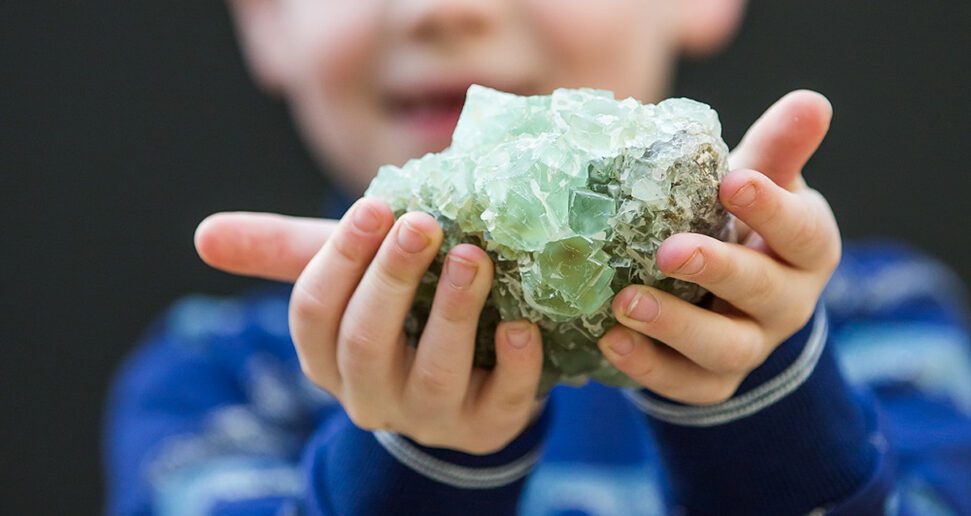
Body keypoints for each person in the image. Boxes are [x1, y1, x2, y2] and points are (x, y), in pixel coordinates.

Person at [105, 1, 971, 514]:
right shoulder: (214, 381)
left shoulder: (883, 324)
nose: (445, 10)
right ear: (265, 19)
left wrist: (757, 379)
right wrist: (418, 456)